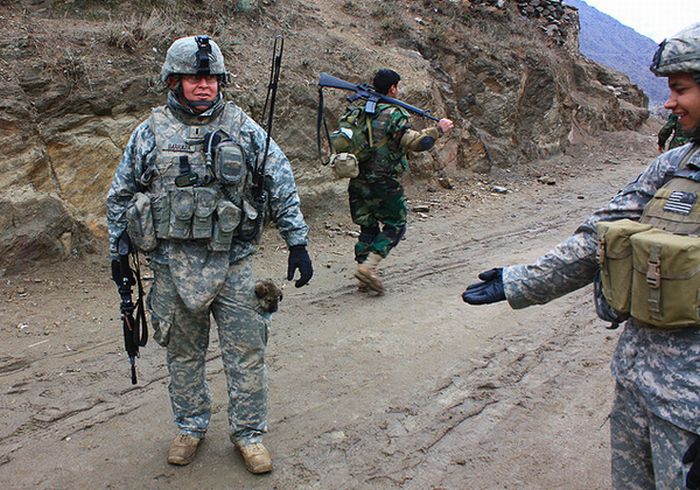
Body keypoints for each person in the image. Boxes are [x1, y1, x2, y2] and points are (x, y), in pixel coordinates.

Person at [462, 23, 700, 489]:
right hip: (638, 385)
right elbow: (601, 234)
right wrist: (522, 280)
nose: (669, 103)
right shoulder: (676, 164)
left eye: (680, 89)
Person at [106, 35, 313, 474]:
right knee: (183, 356)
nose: (204, 85)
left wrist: (297, 242)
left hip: (232, 263)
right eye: (194, 78)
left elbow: (280, 179)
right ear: (174, 81)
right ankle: (190, 426)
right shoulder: (150, 132)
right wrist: (116, 252)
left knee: (247, 352)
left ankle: (249, 434)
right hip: (172, 265)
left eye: (211, 78)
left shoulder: (244, 127)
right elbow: (121, 195)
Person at [347, 68, 454, 294]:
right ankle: (368, 267)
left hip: (357, 178)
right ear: (392, 88)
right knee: (396, 225)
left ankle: (363, 276)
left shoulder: (359, 110)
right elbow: (418, 143)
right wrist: (439, 130)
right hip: (384, 180)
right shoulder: (394, 114)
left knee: (367, 225)